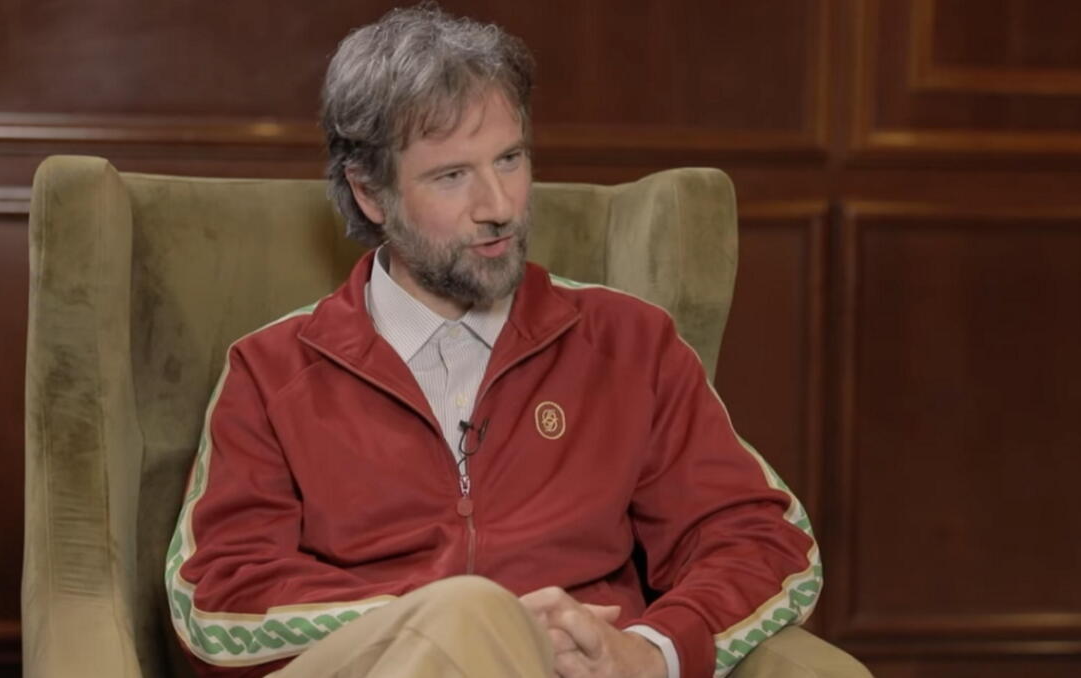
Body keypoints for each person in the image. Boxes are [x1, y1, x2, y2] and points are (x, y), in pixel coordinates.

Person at [164, 5, 821, 678]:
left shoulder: (631, 344)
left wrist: (653, 651)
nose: (500, 206)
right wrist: (462, 623)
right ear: (370, 194)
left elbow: (767, 542)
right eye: (452, 176)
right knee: (470, 615)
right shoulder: (270, 372)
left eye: (510, 159)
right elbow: (218, 602)